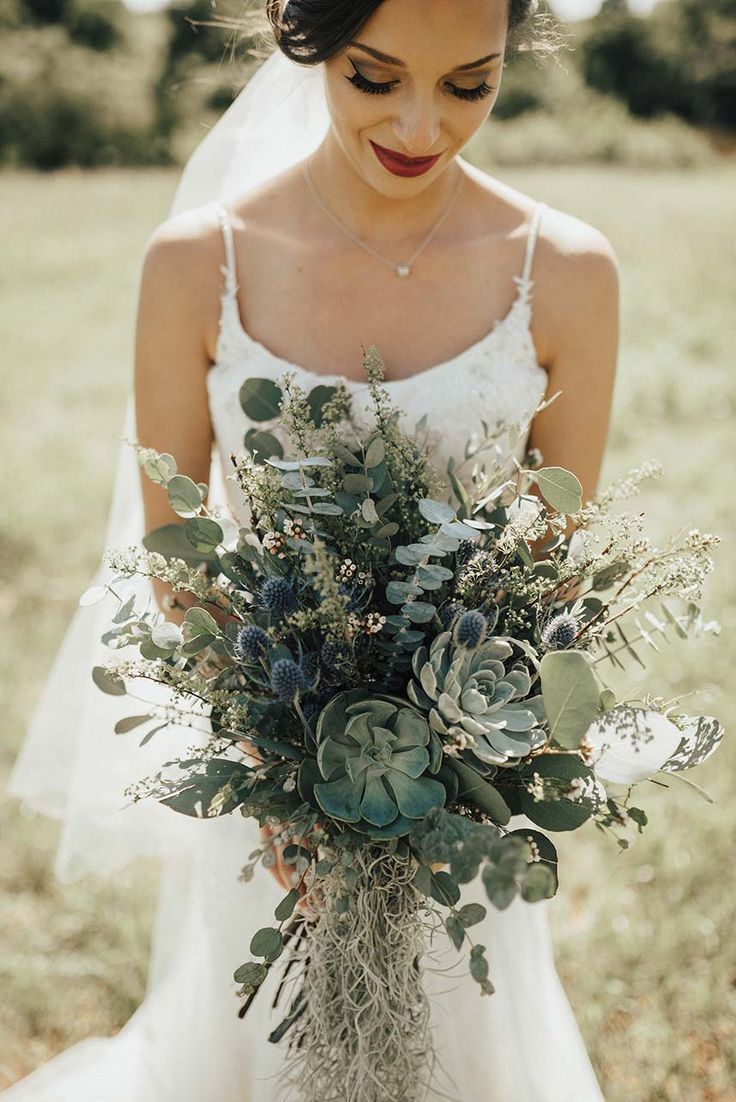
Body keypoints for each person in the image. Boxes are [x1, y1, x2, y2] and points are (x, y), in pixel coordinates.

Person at [3, 0, 619, 1098]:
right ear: (308, 40)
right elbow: (179, 555)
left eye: (467, 85)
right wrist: (278, 783)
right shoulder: (199, 262)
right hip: (268, 800)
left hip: (458, 809)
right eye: (375, 78)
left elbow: (553, 573)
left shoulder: (567, 270)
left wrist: (461, 773)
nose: (422, 125)